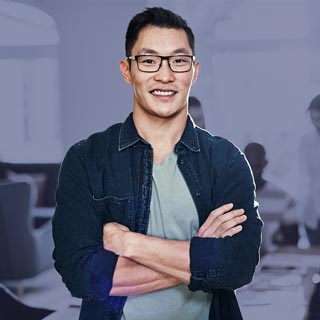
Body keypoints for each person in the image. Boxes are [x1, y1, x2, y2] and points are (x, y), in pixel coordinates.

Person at [52, 7, 262, 320]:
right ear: (127, 70)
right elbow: (82, 274)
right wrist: (201, 252)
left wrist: (128, 243)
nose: (165, 75)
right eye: (149, 60)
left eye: (178, 61)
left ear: (194, 71)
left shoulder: (227, 161)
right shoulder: (86, 160)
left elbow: (238, 265)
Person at [244, 142, 297, 254]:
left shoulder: (284, 198)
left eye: (256, 167)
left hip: (273, 263)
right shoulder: (229, 196)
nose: (252, 172)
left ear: (265, 163)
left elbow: (293, 241)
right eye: (249, 166)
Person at [299, 94, 320, 246]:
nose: (317, 124)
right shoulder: (306, 142)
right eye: (314, 120)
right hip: (312, 212)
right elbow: (303, 177)